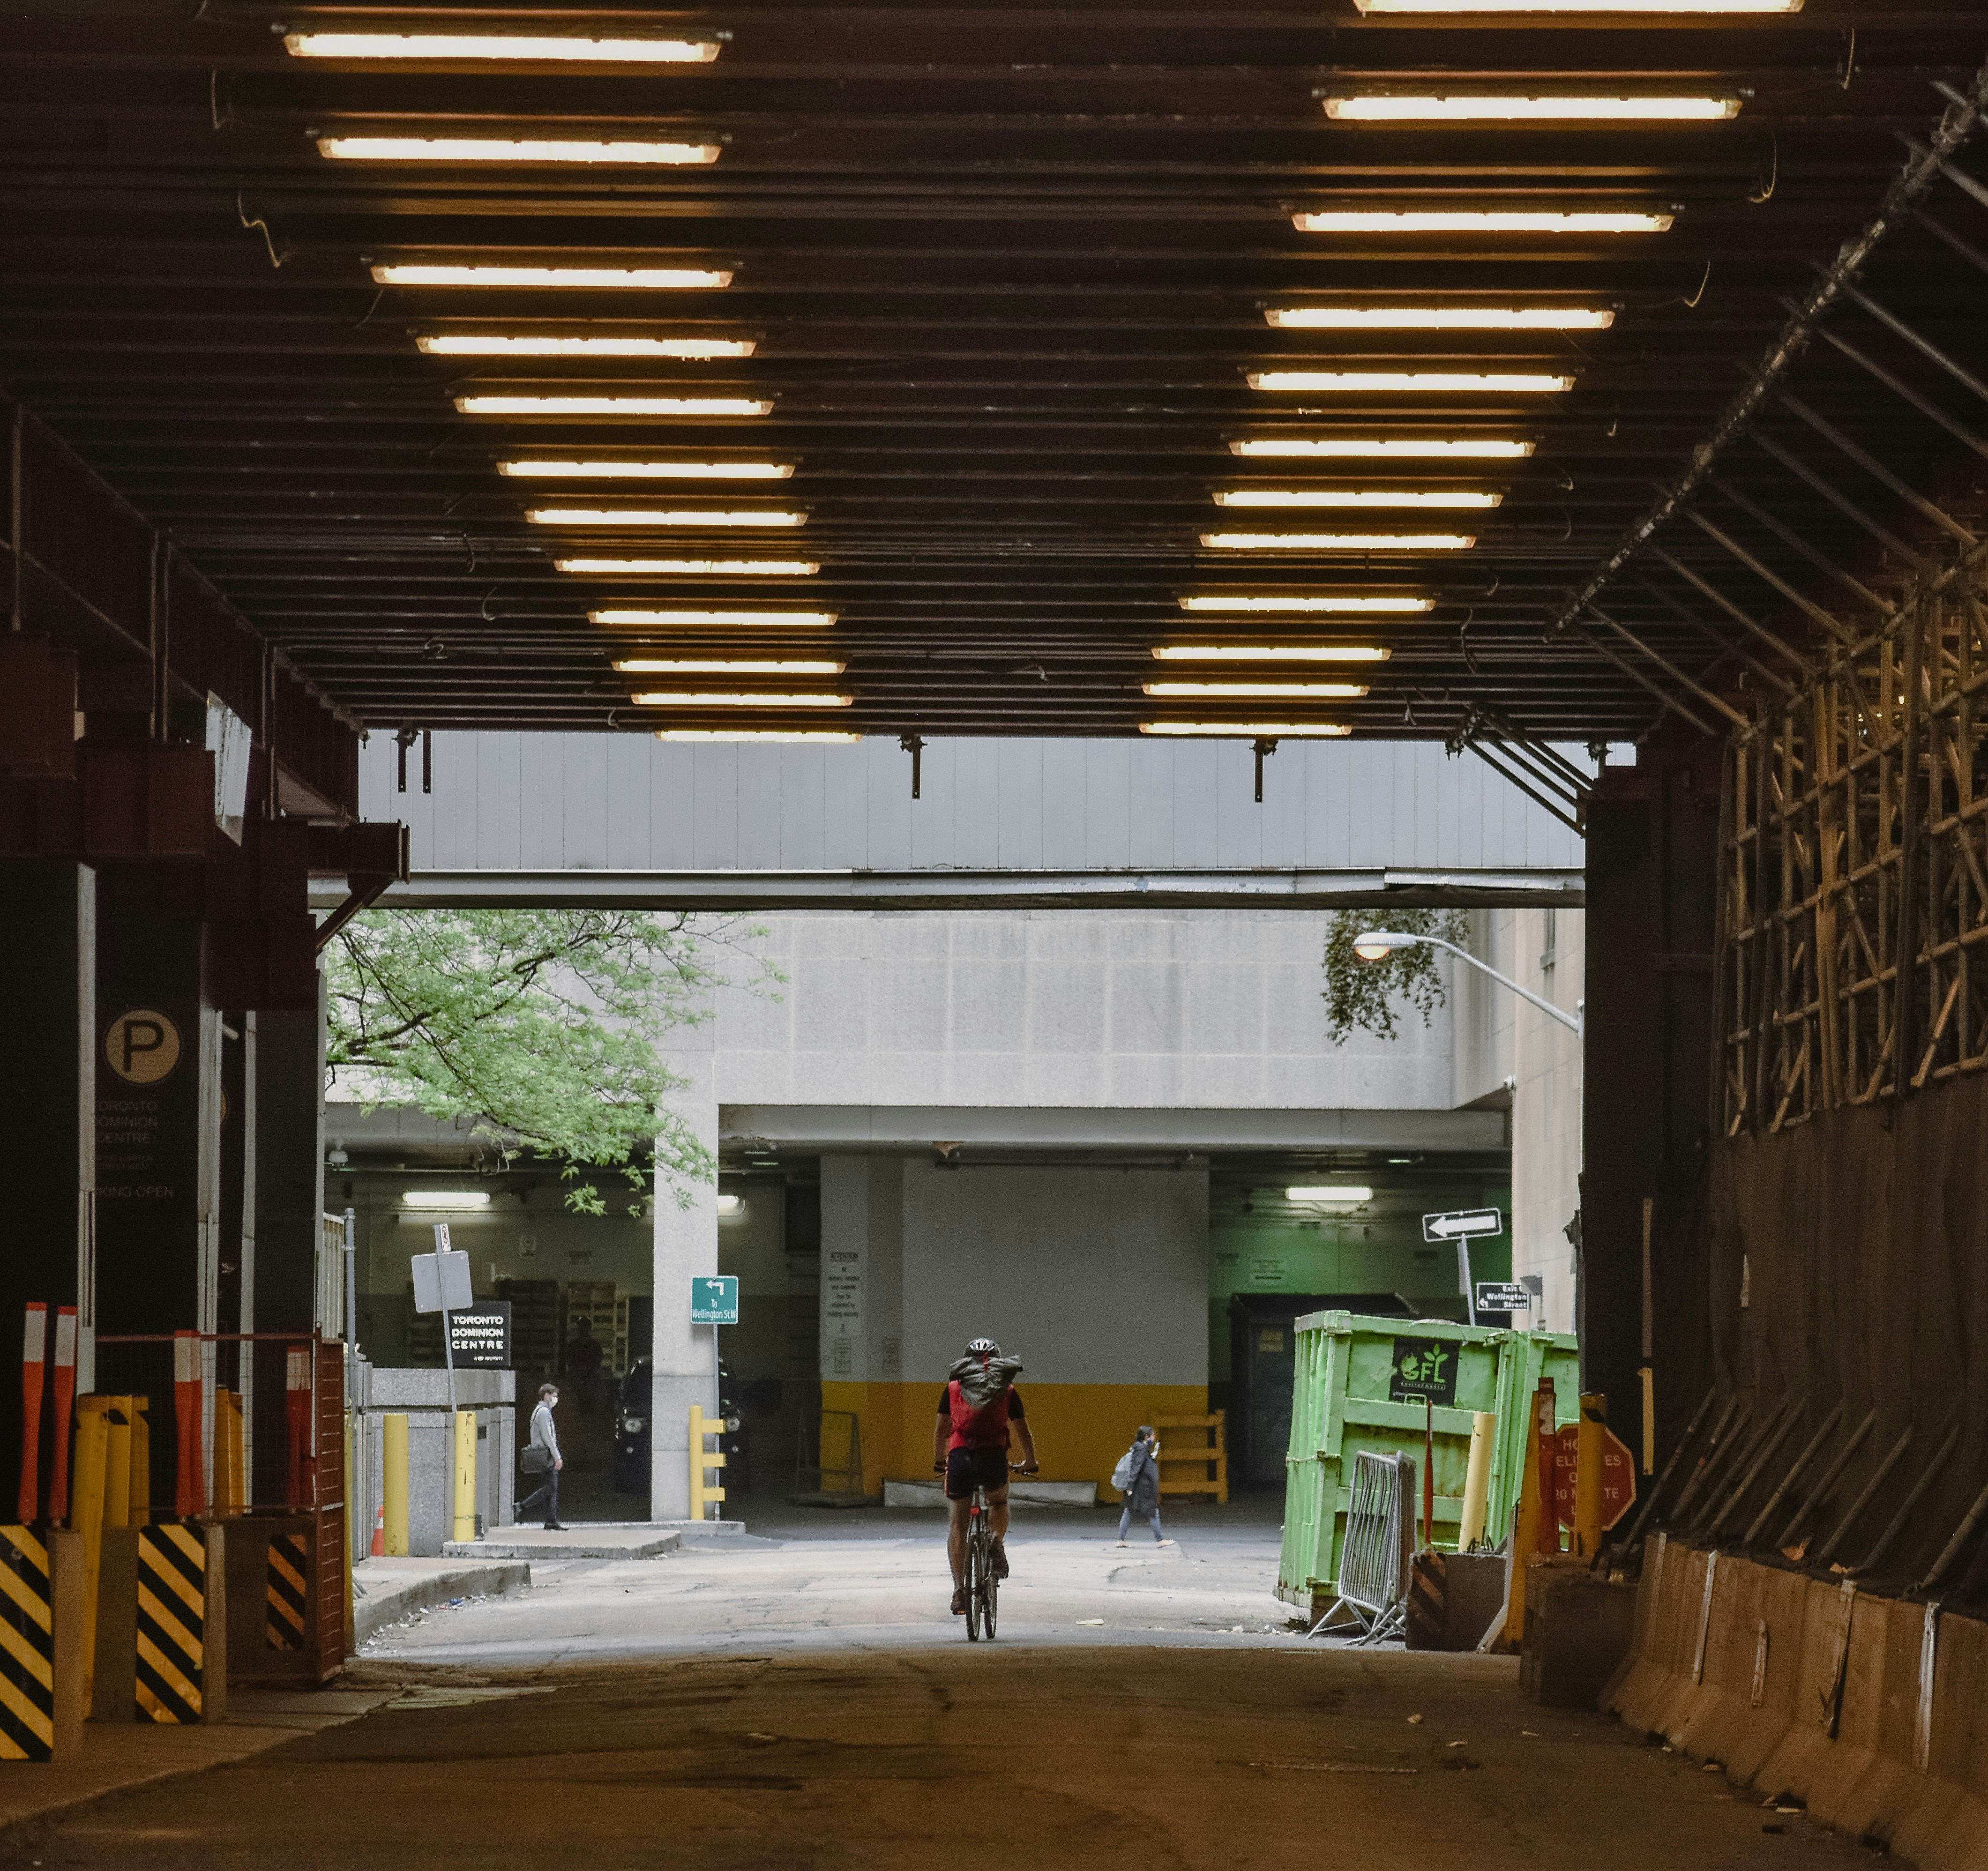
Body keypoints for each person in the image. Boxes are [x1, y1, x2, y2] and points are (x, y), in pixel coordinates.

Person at [933, 1336, 1037, 1615]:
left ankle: (959, 1593)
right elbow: (1024, 1432)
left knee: (958, 1527)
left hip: (960, 1458)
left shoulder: (953, 1387)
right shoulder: (1007, 1389)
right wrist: (1031, 1461)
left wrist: (939, 1461)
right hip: (993, 1457)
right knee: (999, 1503)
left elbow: (942, 1430)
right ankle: (994, 1540)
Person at [516, 1381, 567, 1529]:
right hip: (547, 1456)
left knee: (551, 1487)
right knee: (550, 1487)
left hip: (545, 1455)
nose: (555, 1399)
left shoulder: (540, 1410)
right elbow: (548, 1437)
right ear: (546, 1396)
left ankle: (551, 1521)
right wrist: (557, 1457)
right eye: (554, 1396)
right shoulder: (544, 1412)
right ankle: (522, 1506)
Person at [1115, 1425, 1172, 1547]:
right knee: (1153, 1511)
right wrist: (1130, 1486)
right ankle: (1160, 1540)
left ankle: (1121, 1540)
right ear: (1147, 1437)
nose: (1154, 1437)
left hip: (1137, 1487)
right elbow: (1136, 1469)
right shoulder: (1141, 1450)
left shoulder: (1141, 1449)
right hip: (1141, 1488)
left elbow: (1142, 1464)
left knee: (1128, 1511)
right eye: (1153, 1436)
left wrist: (1153, 1454)